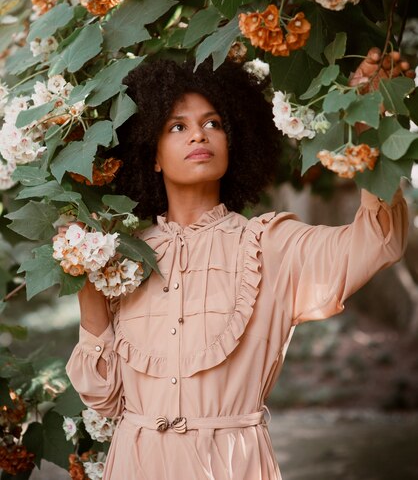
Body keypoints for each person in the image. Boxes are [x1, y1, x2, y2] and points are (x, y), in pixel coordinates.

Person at [66, 56, 409, 480]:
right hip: (135, 465)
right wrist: (87, 282)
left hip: (231, 466)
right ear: (150, 155)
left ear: (235, 141)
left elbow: (380, 239)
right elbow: (103, 398)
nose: (199, 134)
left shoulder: (270, 245)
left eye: (214, 123)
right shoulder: (122, 257)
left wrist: (366, 127)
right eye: (178, 126)